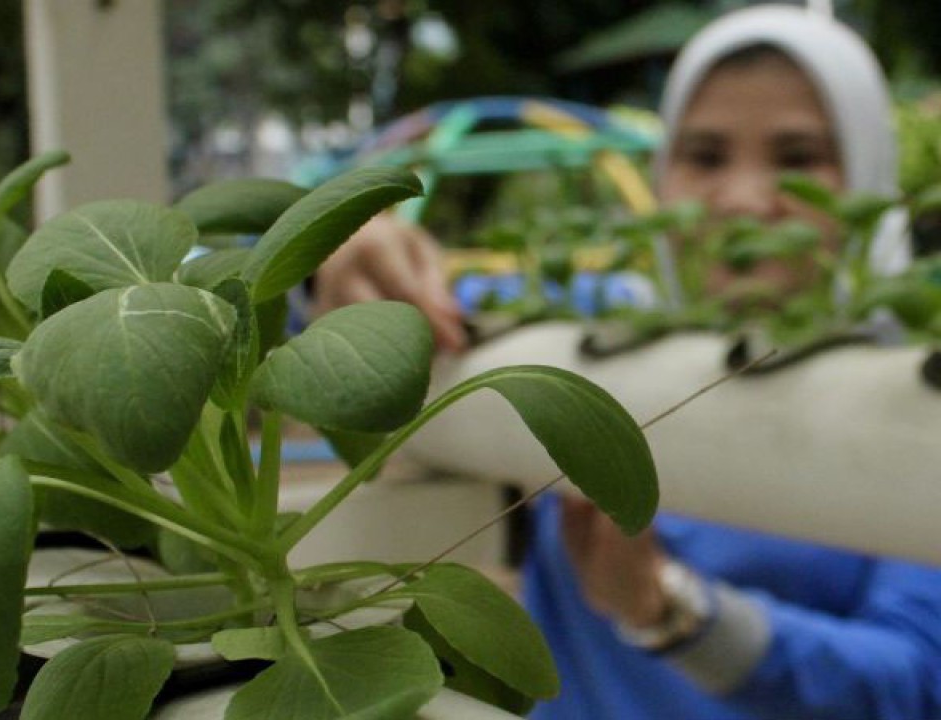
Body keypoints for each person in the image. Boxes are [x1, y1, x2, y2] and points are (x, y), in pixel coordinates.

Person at [313, 5, 941, 719]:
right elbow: (399, 318)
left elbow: (916, 683)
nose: (740, 200)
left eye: (799, 159)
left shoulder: (915, 391)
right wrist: (363, 261)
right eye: (704, 156)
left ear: (869, 174)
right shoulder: (591, 324)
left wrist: (670, 609)